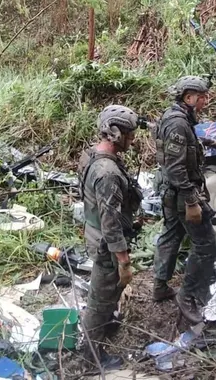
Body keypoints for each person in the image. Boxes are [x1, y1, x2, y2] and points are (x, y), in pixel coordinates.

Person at [79, 105, 143, 370]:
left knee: (107, 293)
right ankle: (91, 356)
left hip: (95, 236)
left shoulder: (92, 155)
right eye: (129, 135)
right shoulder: (108, 173)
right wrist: (124, 261)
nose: (133, 140)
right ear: (116, 134)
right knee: (100, 298)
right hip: (107, 245)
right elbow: (111, 223)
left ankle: (105, 322)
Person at [151, 76, 216, 323]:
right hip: (181, 193)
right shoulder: (178, 123)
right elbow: (176, 168)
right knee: (205, 245)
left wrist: (209, 143)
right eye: (201, 97)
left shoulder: (174, 117)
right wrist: (192, 202)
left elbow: (180, 148)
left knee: (171, 235)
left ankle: (159, 286)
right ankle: (187, 297)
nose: (205, 102)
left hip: (170, 191)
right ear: (188, 98)